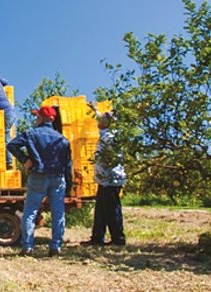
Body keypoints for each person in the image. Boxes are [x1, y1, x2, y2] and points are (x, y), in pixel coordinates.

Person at [7, 106, 73, 257]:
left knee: (30, 212)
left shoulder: (31, 133)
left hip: (38, 175)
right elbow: (68, 164)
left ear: (42, 118)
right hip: (57, 177)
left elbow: (11, 145)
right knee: (58, 213)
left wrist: (25, 160)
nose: (35, 119)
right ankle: (56, 247)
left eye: (37, 117)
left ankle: (28, 247)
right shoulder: (62, 139)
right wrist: (69, 186)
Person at [81, 106, 126, 246]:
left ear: (107, 123)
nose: (97, 122)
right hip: (105, 180)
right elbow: (102, 118)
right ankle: (97, 238)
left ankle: (118, 239)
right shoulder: (108, 133)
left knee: (112, 210)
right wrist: (95, 109)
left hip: (111, 179)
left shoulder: (110, 137)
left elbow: (112, 158)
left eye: (100, 120)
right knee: (100, 210)